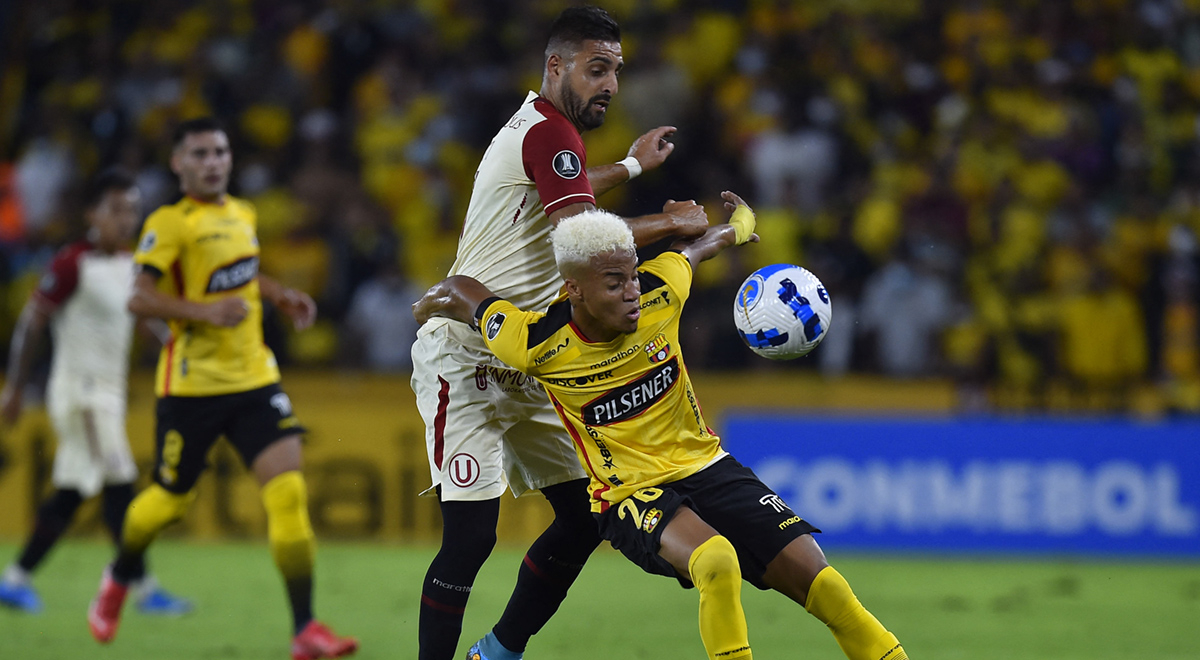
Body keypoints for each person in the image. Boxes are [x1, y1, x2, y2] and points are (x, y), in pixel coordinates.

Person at [413, 194, 910, 660]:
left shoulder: (660, 290)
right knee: (716, 561)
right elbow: (469, 296)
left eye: (632, 276)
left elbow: (696, 249)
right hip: (629, 492)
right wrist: (434, 298)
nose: (632, 292)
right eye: (614, 284)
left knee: (824, 583)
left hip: (706, 464)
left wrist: (740, 226)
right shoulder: (535, 343)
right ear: (575, 291)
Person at [407, 6, 709, 660]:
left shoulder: (547, 132)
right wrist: (669, 221)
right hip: (465, 357)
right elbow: (585, 241)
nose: (611, 85)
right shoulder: (548, 133)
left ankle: (498, 651)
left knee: (583, 518)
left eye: (616, 72)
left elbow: (570, 191)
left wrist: (630, 168)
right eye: (596, 68)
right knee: (470, 538)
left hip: (527, 357)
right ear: (556, 66)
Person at [85, 118, 358, 660]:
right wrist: (204, 313)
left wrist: (278, 294)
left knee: (288, 495)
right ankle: (118, 574)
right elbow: (139, 298)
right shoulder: (169, 223)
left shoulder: (243, 214)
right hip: (192, 388)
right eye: (200, 153)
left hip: (256, 379)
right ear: (178, 164)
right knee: (167, 501)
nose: (213, 161)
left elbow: (240, 273)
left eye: (220, 152)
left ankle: (305, 629)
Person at [0, 169, 191, 616]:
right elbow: (32, 322)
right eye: (117, 210)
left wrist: (177, 350)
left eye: (132, 211)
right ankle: (142, 588)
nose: (126, 220)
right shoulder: (72, 263)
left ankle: (15, 579)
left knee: (71, 491)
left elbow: (146, 320)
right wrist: (14, 386)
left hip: (110, 394)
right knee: (120, 484)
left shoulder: (129, 267)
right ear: (92, 213)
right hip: (81, 393)